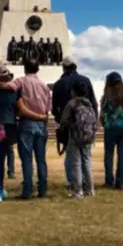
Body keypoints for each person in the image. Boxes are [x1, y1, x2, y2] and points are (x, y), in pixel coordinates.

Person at [0, 63, 47, 202]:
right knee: (2, 160)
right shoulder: (14, 91)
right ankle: (1, 188)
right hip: (7, 127)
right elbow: (22, 110)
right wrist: (40, 116)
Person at [51, 56, 98, 188]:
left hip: (68, 125)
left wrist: (61, 121)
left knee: (71, 154)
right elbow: (94, 103)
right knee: (86, 155)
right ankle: (87, 182)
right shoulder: (86, 80)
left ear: (64, 67)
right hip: (86, 125)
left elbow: (54, 108)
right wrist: (93, 122)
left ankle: (73, 181)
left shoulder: (59, 83)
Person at [12, 58, 53, 199]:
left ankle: (28, 190)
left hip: (27, 122)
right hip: (41, 123)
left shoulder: (21, 81)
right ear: (38, 69)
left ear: (25, 68)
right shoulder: (44, 86)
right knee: (41, 159)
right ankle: (43, 190)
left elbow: (9, 87)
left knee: (27, 159)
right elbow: (48, 108)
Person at [60, 80, 97, 199]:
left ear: (73, 92)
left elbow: (64, 120)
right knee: (87, 162)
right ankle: (90, 189)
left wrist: (70, 125)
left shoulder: (72, 103)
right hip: (88, 137)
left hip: (75, 137)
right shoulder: (88, 104)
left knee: (76, 163)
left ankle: (77, 191)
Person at [100, 72, 123, 189]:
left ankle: (109, 180)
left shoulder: (107, 97)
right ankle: (120, 181)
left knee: (109, 154)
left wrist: (104, 124)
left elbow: (102, 114)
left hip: (111, 128)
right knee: (122, 154)